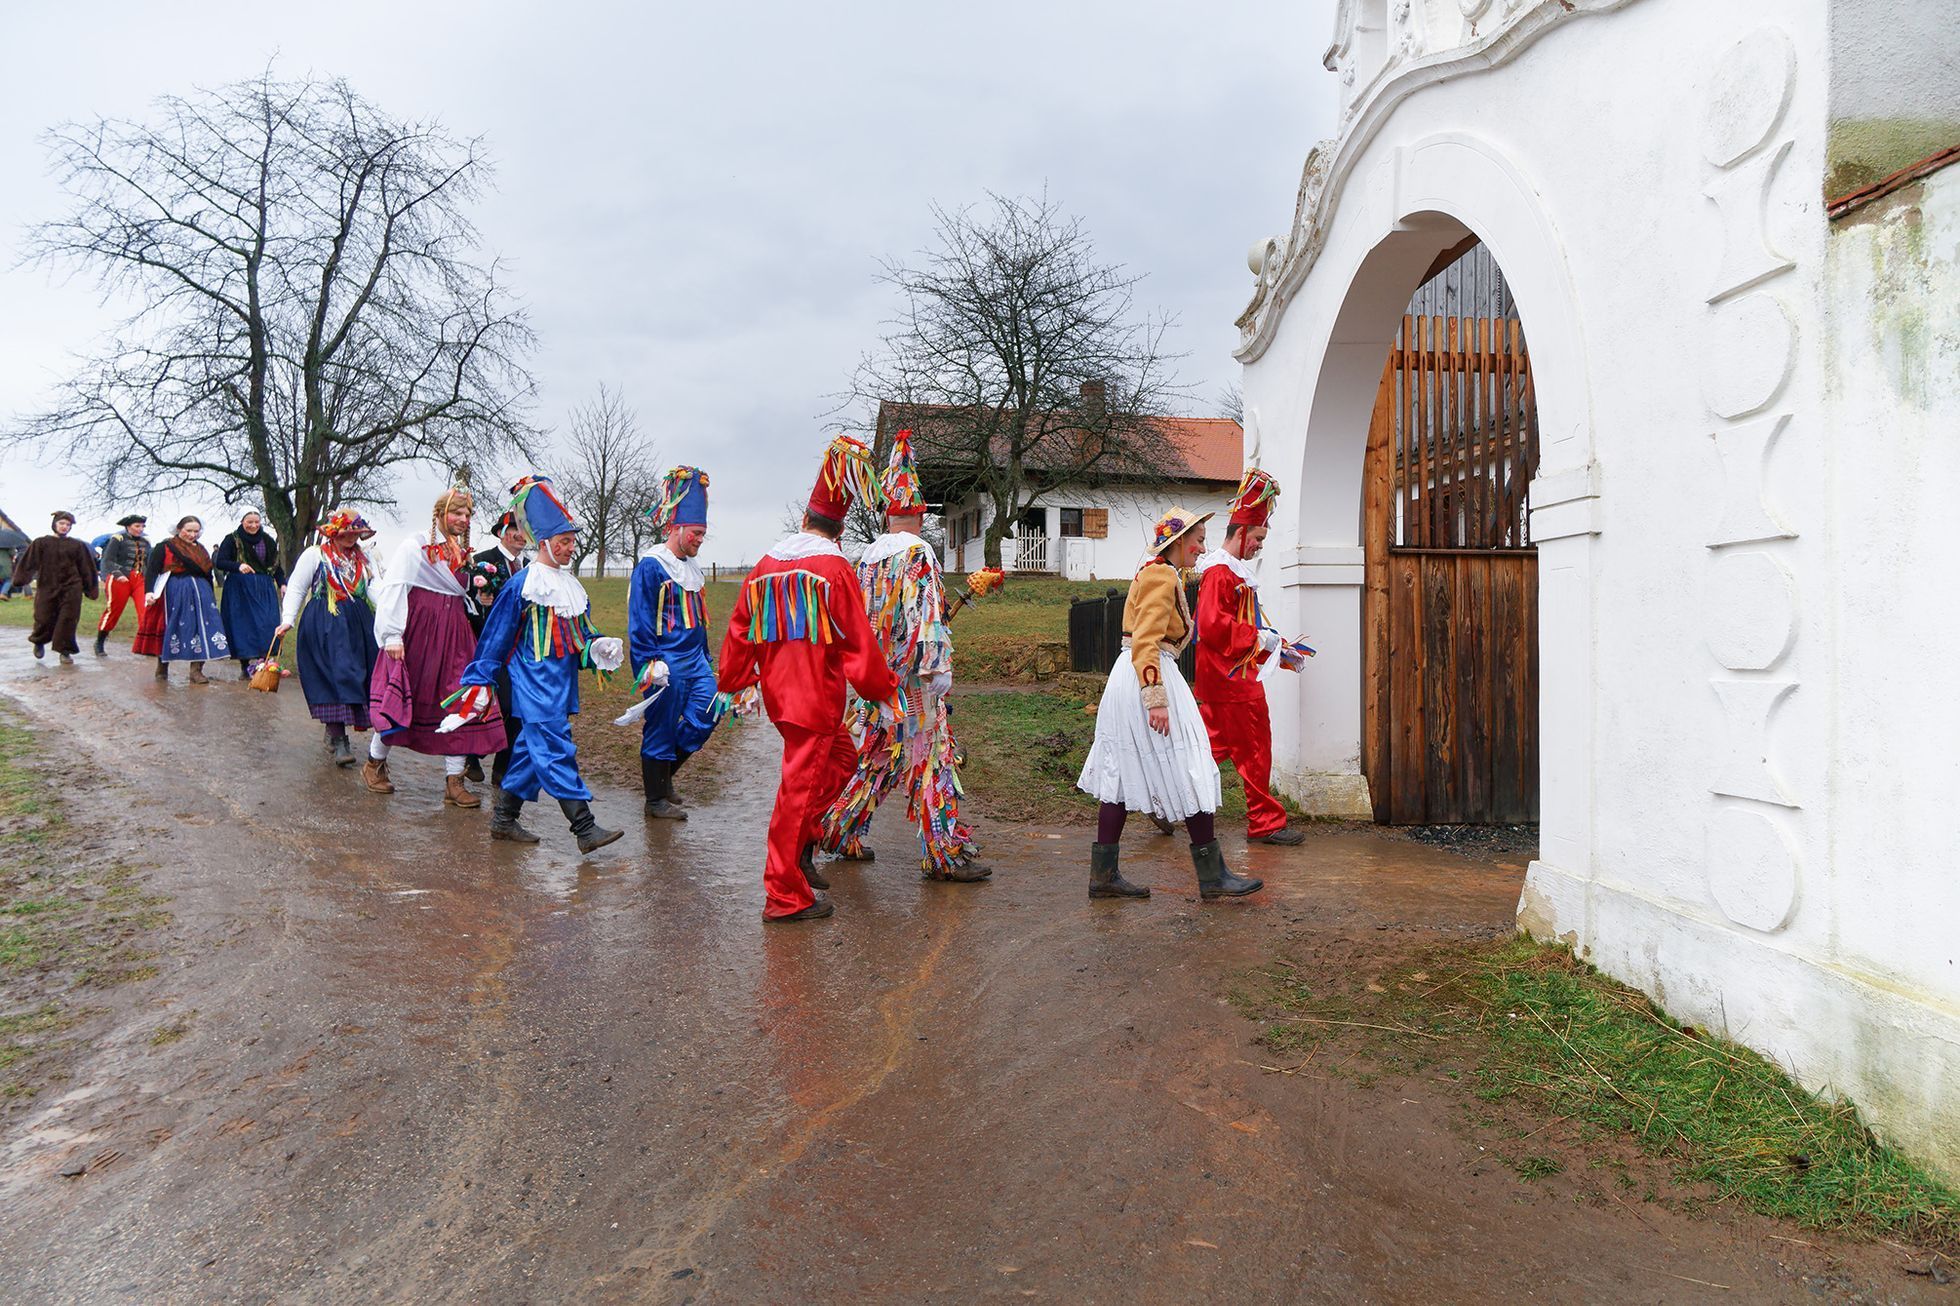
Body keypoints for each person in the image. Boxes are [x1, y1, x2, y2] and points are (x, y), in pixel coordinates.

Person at [717, 436, 900, 923]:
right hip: (815, 701)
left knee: (841, 760)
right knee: (797, 791)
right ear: (838, 531)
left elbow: (739, 628)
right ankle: (784, 893)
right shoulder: (835, 568)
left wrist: (735, 679)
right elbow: (858, 643)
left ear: (805, 518)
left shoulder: (765, 565)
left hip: (782, 696)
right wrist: (883, 692)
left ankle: (802, 846)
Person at [819, 430, 988, 883]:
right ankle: (943, 852)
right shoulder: (919, 553)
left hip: (878, 681)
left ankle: (840, 829)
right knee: (933, 759)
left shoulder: (867, 558)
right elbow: (927, 617)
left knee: (881, 756)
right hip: (914, 685)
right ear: (918, 511)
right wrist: (936, 668)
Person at [1077, 507, 1262, 902]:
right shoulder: (1161, 575)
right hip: (1149, 675)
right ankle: (1212, 877)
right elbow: (1145, 640)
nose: (1202, 547)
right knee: (1192, 763)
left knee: (1122, 775)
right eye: (1197, 540)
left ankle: (1103, 876)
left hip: (1131, 676)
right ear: (1178, 542)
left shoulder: (1156, 571)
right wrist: (1155, 698)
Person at [448, 476, 625, 852]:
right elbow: (495, 636)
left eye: (572, 542)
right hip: (531, 682)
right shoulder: (522, 585)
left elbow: (581, 634)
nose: (569, 548)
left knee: (530, 751)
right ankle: (584, 827)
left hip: (560, 684)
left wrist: (598, 647)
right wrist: (480, 679)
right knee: (556, 749)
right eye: (563, 542)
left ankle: (503, 819)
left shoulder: (572, 586)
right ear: (544, 541)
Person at [364, 489, 509, 807]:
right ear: (440, 513)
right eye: (457, 512)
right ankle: (374, 763)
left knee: (461, 696)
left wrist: (479, 597)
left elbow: (460, 591)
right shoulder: (415, 545)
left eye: (468, 514)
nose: (463, 519)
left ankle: (454, 781)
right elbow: (395, 586)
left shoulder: (463, 553)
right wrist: (391, 635)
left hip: (455, 633)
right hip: (420, 629)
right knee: (404, 697)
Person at [1194, 469, 1309, 846]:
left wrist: (1274, 644)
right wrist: (1258, 639)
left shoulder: (1226, 573)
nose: (1260, 544)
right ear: (1241, 532)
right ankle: (1265, 823)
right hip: (1235, 681)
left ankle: (1164, 797)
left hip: (1221, 678)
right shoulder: (1223, 574)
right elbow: (1212, 626)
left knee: (1213, 749)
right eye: (1258, 537)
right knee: (1255, 748)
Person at [627, 466, 719, 819]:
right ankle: (655, 800)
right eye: (696, 533)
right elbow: (639, 618)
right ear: (676, 528)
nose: (699, 539)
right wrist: (650, 663)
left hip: (695, 659)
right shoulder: (652, 566)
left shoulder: (692, 568)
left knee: (707, 712)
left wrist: (706, 656)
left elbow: (701, 619)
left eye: (703, 534)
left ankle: (664, 780)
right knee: (661, 725)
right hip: (664, 659)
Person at [274, 511, 381, 767]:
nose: (351, 537)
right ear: (334, 532)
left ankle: (334, 730)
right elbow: (298, 586)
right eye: (346, 533)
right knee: (334, 675)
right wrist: (288, 618)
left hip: (358, 622)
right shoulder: (315, 555)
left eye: (355, 533)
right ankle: (340, 740)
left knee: (358, 674)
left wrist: (393, 613)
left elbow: (375, 587)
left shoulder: (364, 558)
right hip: (324, 620)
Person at [466, 511, 529, 786]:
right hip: (486, 644)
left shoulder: (529, 567)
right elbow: (466, 600)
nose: (519, 534)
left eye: (523, 529)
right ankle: (471, 754)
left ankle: (502, 769)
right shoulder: (482, 561)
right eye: (514, 528)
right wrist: (481, 602)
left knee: (517, 708)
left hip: (519, 650)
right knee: (488, 702)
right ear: (501, 532)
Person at [132, 516, 229, 683]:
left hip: (201, 594)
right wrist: (149, 592)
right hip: (173, 592)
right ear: (179, 529)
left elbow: (207, 574)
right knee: (170, 626)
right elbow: (153, 570)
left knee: (202, 628)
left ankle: (196, 671)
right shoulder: (165, 547)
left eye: (196, 531)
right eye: (189, 530)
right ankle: (162, 667)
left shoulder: (202, 550)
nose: (192, 534)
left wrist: (210, 595)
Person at [10, 511, 98, 665]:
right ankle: (39, 641)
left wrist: (90, 588)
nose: (64, 527)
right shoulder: (41, 543)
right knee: (43, 617)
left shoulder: (77, 545)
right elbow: (29, 562)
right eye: (62, 523)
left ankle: (65, 651)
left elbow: (86, 567)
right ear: (55, 524)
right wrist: (20, 579)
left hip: (72, 587)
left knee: (68, 619)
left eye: (68, 525)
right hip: (47, 585)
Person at [212, 508, 285, 675]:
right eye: (249, 522)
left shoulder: (267, 540)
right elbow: (221, 562)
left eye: (257, 522)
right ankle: (245, 665)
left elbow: (275, 566)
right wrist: (238, 566)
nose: (253, 525)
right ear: (242, 522)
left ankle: (263, 663)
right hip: (240, 588)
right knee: (243, 626)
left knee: (266, 624)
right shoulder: (232, 540)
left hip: (263, 587)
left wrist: (282, 583)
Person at [94, 515, 149, 656]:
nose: (140, 529)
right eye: (137, 526)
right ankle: (100, 641)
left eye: (142, 526)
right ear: (128, 526)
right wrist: (118, 574)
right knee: (114, 610)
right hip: (119, 578)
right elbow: (108, 560)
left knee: (146, 610)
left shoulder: (145, 541)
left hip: (139, 578)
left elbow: (148, 562)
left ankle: (146, 644)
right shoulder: (117, 539)